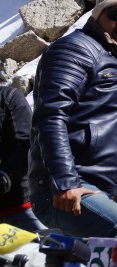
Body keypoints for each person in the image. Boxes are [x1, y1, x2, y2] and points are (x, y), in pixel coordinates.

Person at [28, 0, 117, 238]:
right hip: (65, 187)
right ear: (98, 14)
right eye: (116, 13)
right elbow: (51, 116)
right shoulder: (75, 49)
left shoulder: (114, 57)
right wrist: (64, 182)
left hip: (93, 186)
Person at [0, 84, 46, 232]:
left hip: (21, 208)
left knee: (41, 252)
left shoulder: (8, 97)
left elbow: (27, 145)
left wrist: (7, 175)